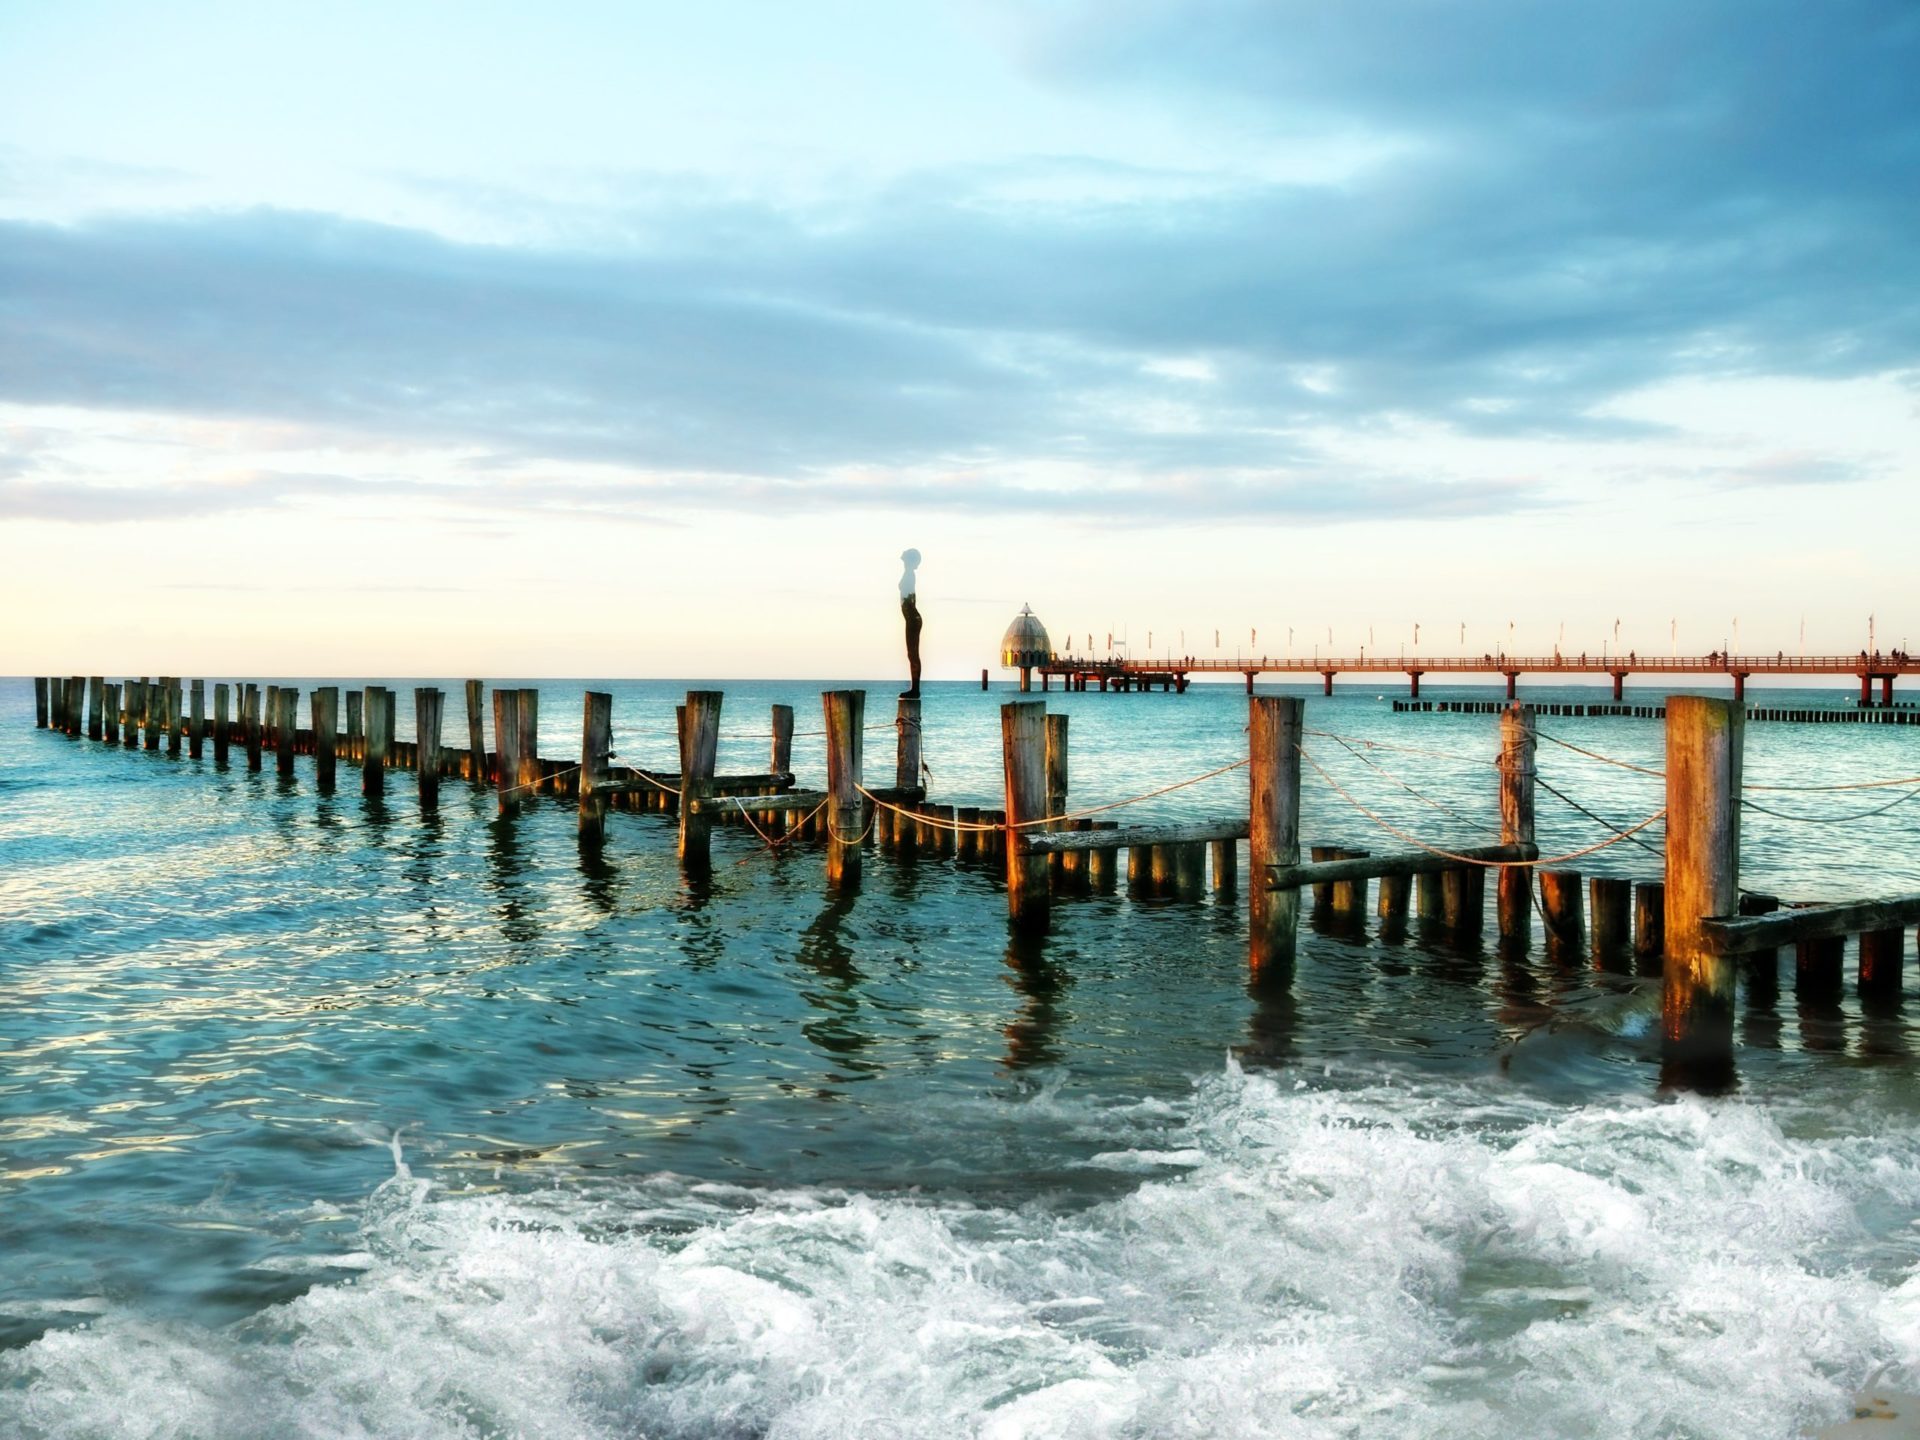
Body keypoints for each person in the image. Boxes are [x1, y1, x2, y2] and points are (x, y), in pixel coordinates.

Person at [899, 548, 923, 698]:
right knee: (911, 654)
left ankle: (915, 689)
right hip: (911, 618)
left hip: (912, 619)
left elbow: (911, 597)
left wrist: (910, 612)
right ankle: (914, 688)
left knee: (913, 654)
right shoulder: (908, 574)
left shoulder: (909, 575)